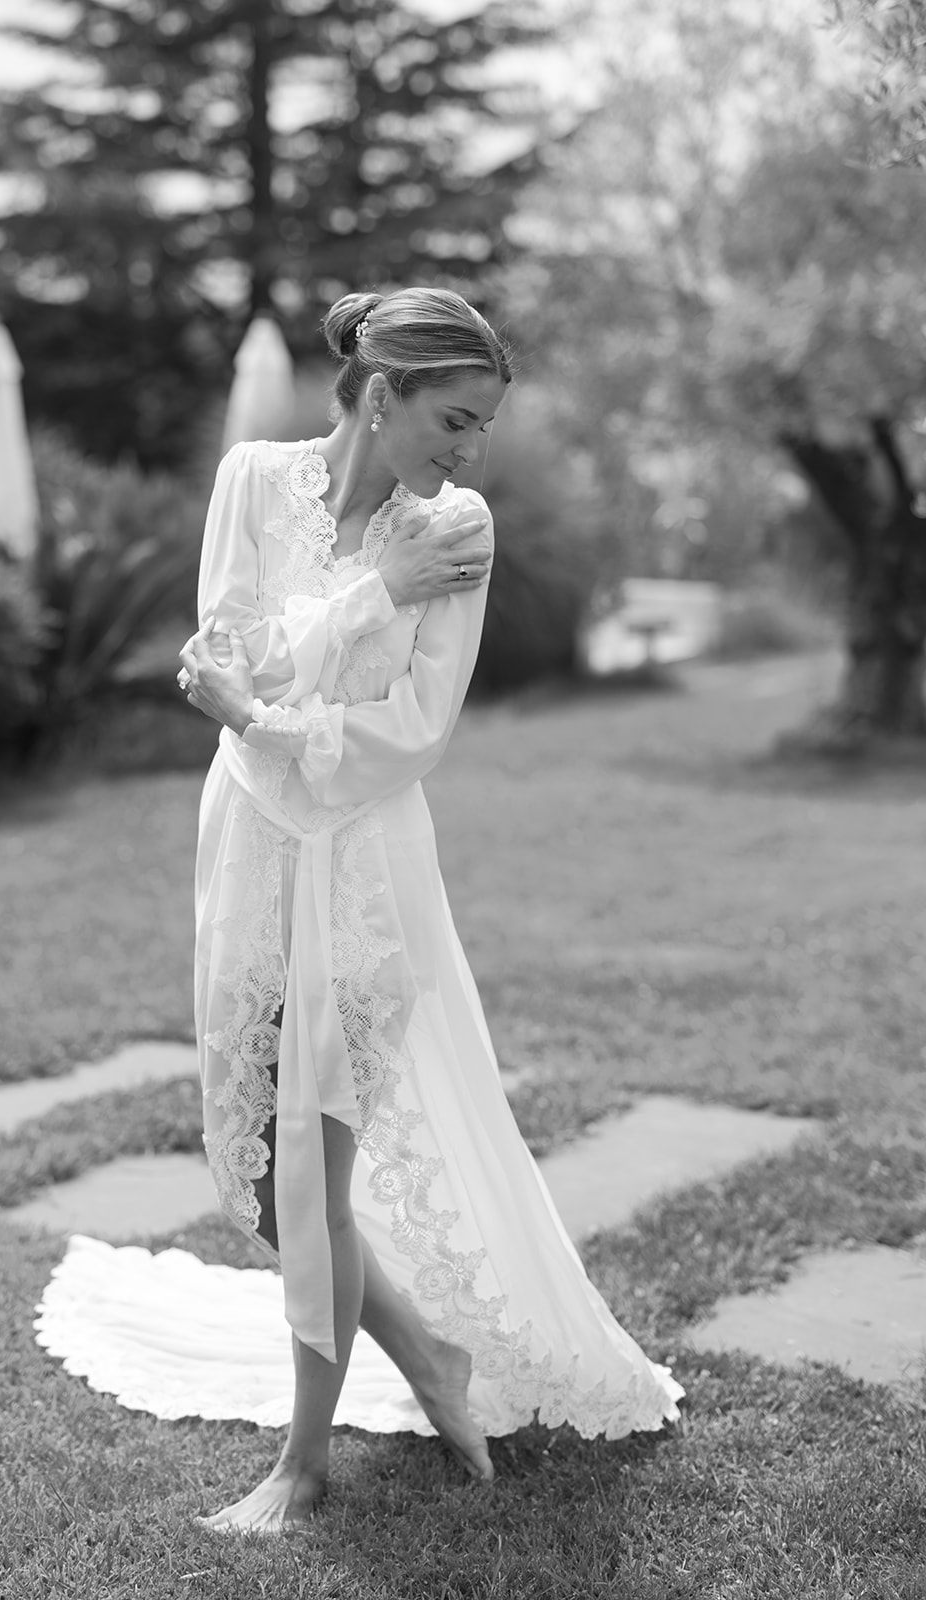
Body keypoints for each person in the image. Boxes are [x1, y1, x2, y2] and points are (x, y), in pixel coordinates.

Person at [177, 286, 683, 1535]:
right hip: (250, 846)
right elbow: (224, 650)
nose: (469, 452)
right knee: (253, 1174)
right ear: (380, 394)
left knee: (313, 1165)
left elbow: (410, 731)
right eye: (454, 420)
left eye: (483, 428)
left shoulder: (456, 529)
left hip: (365, 869)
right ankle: (428, 1356)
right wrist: (364, 599)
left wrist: (264, 712)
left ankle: (301, 1468)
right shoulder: (251, 480)